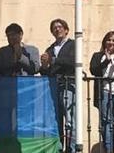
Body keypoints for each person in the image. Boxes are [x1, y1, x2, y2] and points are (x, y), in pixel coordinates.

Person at [90, 31, 114, 153]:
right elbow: (94, 70)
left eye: (113, 40)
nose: (111, 42)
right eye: (109, 40)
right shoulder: (98, 55)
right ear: (104, 42)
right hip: (104, 91)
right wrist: (106, 61)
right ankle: (108, 148)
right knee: (106, 120)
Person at [40, 19, 76, 151]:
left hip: (68, 85)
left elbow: (73, 61)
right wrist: (44, 65)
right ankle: (59, 148)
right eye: (54, 28)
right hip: (54, 86)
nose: (57, 29)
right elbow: (45, 71)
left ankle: (72, 148)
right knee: (56, 120)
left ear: (66, 30)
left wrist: (54, 60)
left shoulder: (73, 44)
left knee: (70, 120)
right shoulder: (50, 49)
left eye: (60, 27)